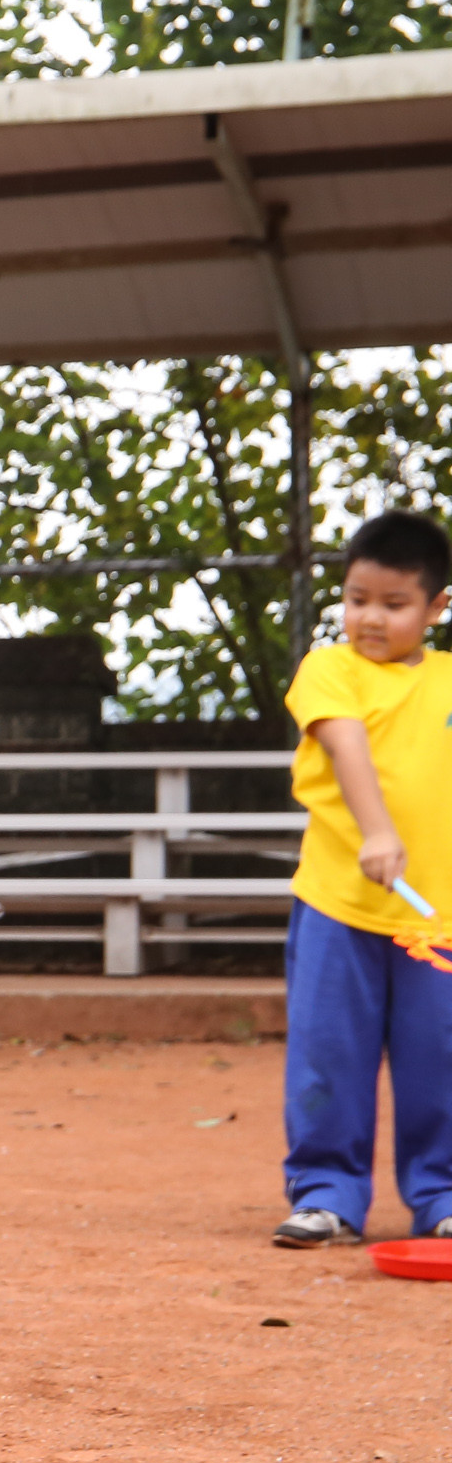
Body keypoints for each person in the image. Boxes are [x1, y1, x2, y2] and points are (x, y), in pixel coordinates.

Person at [272, 509, 452, 1250]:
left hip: (434, 916)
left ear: (438, 606)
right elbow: (347, 749)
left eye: (393, 603)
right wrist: (377, 830)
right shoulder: (329, 669)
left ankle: (441, 1196)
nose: (369, 618)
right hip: (338, 904)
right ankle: (326, 1195)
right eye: (356, 599)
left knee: (438, 1057)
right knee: (327, 1053)